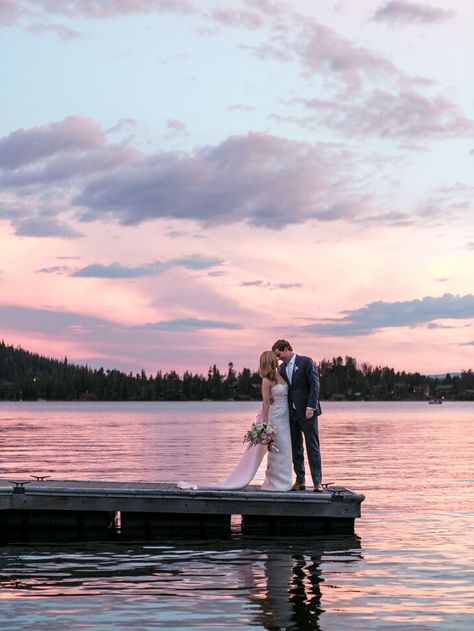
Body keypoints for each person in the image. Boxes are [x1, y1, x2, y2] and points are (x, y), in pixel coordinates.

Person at [178, 350, 292, 491]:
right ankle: (276, 483)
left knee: (285, 449)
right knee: (276, 449)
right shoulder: (266, 381)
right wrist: (265, 423)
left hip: (284, 418)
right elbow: (266, 403)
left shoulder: (281, 375)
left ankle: (284, 482)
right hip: (274, 418)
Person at [272, 339, 323, 492]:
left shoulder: (306, 362)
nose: (278, 357)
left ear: (287, 349)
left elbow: (315, 385)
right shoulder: (281, 368)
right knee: (296, 448)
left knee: (312, 447)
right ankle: (300, 480)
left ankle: (317, 482)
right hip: (291, 414)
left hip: (308, 412)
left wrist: (311, 406)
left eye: (279, 354)